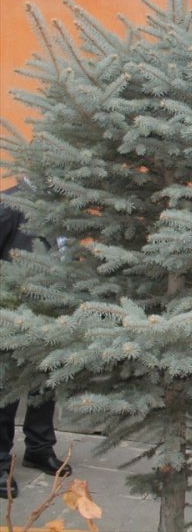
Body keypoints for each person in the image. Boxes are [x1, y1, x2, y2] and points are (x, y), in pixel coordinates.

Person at [0, 182, 72, 499]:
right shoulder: (11, 205)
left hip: (53, 312)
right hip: (13, 314)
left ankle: (39, 448)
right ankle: (0, 463)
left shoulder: (65, 206)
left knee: (45, 383)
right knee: (7, 391)